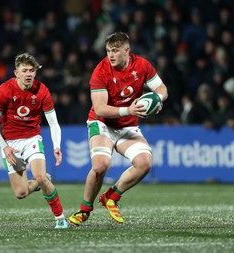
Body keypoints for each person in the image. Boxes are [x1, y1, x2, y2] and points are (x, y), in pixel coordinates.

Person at [68, 32, 168, 226]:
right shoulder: (101, 71)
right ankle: (84, 210)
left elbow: (163, 90)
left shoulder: (142, 65)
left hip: (127, 126)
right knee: (101, 166)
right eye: (108, 51)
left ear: (127, 51)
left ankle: (111, 196)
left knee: (145, 163)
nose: (110, 55)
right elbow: (100, 108)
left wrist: (157, 100)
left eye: (115, 51)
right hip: (102, 123)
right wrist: (129, 109)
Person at [0, 53, 69, 229]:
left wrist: (56, 146)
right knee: (21, 193)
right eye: (24, 71)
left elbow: (53, 123)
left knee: (39, 175)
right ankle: (40, 182)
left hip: (31, 139)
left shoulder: (42, 91)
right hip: (10, 144)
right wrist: (5, 147)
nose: (29, 74)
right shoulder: (5, 90)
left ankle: (60, 218)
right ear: (16, 73)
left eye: (32, 70)